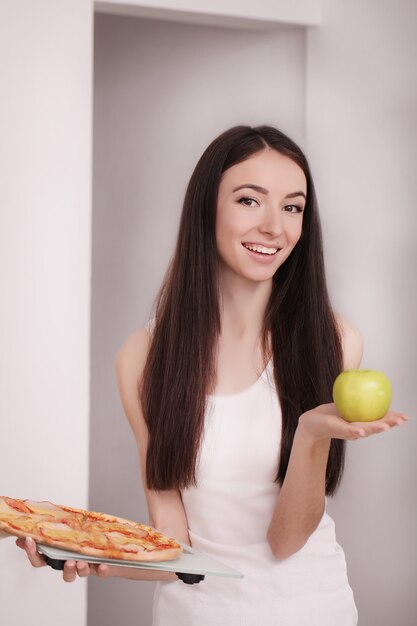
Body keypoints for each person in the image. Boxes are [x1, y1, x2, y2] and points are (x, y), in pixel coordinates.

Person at [18, 125, 408, 625]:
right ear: (208, 209)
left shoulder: (334, 341)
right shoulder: (143, 358)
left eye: (293, 207)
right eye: (250, 200)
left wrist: (311, 433)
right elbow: (176, 545)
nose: (274, 226)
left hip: (312, 610)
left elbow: (286, 540)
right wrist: (95, 557)